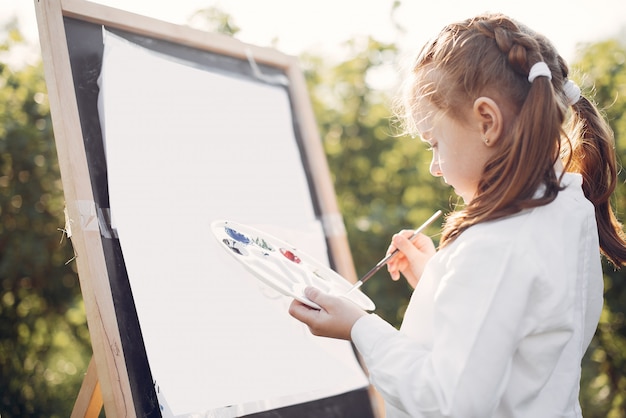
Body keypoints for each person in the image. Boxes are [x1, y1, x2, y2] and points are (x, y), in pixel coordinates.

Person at [288, 13, 626, 418]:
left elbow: (449, 400)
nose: (434, 166)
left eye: (434, 143)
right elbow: (520, 325)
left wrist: (359, 327)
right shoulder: (568, 208)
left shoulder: (496, 245)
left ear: (488, 122)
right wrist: (439, 278)